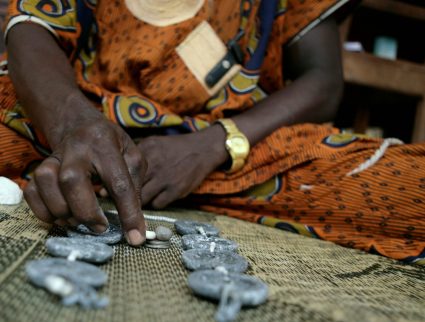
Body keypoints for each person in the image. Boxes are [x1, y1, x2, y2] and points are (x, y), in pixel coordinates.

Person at [0, 0, 424, 264]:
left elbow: (323, 81)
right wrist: (73, 124)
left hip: (240, 152)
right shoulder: (75, 123)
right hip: (80, 130)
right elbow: (29, 30)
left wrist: (217, 143)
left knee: (408, 191)